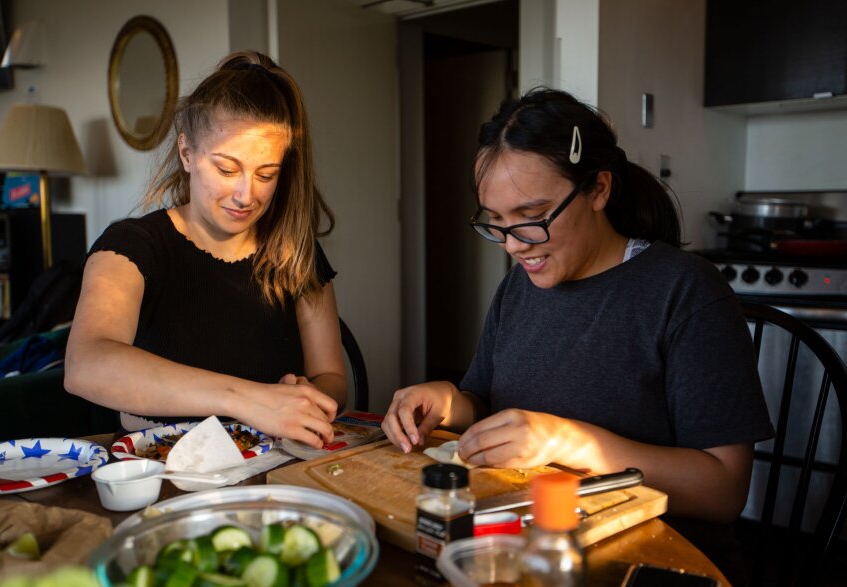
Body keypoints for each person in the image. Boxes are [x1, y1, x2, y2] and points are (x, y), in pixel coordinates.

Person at [382, 88, 773, 583]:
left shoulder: (684, 290)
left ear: (598, 189)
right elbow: (481, 403)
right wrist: (444, 401)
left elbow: (722, 490)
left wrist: (568, 440)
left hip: (651, 563)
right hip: (532, 548)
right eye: (496, 222)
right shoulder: (518, 289)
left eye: (532, 217)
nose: (513, 245)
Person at [65, 50, 345, 448]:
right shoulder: (132, 247)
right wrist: (252, 399)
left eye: (266, 174)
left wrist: (305, 396)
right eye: (227, 169)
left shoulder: (296, 253)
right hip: (157, 467)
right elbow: (85, 365)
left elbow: (332, 380)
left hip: (267, 463)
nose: (246, 194)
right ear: (187, 154)